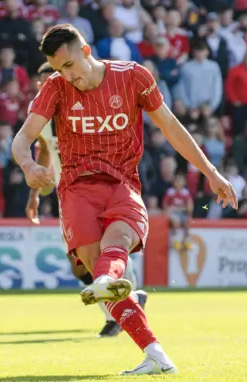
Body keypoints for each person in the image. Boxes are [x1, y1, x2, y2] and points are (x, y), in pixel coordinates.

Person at [11, 24, 238, 375]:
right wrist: (27, 166)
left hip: (122, 184)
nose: (67, 76)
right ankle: (156, 355)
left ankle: (107, 285)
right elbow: (22, 138)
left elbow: (171, 126)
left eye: (70, 65)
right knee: (102, 274)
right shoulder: (55, 88)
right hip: (75, 191)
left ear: (86, 52)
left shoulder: (132, 76)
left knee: (116, 246)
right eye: (59, 69)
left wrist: (211, 172)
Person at [26, 62, 148, 338]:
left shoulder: (85, 104)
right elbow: (44, 150)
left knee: (108, 247)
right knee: (78, 262)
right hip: (68, 195)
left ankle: (116, 313)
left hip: (104, 186)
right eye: (47, 81)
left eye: (58, 78)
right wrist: (34, 194)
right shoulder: (40, 114)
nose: (54, 85)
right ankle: (133, 298)